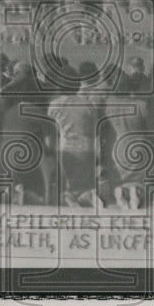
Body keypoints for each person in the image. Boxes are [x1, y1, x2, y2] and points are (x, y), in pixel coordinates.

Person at [47, 63, 102, 207]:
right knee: (86, 188)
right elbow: (95, 130)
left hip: (65, 149)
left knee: (66, 188)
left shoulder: (54, 105)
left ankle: (70, 201)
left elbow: (51, 133)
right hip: (87, 148)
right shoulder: (88, 104)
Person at [0, 61, 52, 204]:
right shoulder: (44, 87)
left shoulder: (10, 88)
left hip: (13, 132)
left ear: (17, 73)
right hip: (37, 133)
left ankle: (16, 186)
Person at [103, 74, 152, 210]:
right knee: (137, 179)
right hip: (139, 145)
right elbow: (150, 127)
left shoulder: (109, 105)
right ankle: (135, 192)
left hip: (118, 146)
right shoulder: (142, 105)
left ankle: (121, 191)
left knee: (123, 178)